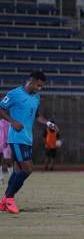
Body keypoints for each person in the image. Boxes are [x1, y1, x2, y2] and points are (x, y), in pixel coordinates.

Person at [0, 72, 58, 214]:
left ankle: (4, 201)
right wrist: (12, 122)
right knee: (28, 168)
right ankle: (9, 198)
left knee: (19, 170)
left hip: (27, 138)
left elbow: (37, 116)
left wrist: (48, 123)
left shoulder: (36, 97)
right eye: (38, 85)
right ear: (31, 81)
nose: (40, 88)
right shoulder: (14, 94)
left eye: (42, 86)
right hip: (16, 137)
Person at [0, 118, 13, 184]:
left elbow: (10, 132)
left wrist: (8, 141)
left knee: (8, 161)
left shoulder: (7, 122)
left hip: (6, 144)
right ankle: (1, 179)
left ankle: (12, 178)